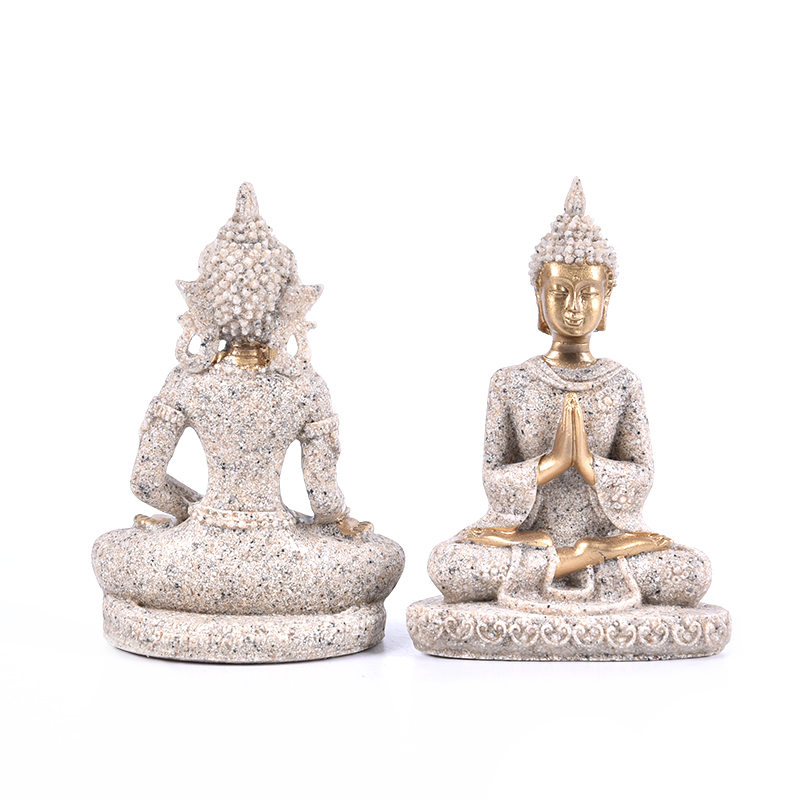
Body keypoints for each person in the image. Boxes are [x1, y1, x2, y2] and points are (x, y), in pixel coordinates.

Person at [92, 184, 403, 628]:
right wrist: (338, 523)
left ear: (207, 302)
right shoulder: (305, 388)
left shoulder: (185, 383)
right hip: (285, 556)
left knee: (111, 551)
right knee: (382, 558)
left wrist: (191, 513)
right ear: (286, 302)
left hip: (194, 556)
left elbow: (145, 482)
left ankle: (186, 612)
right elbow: (323, 499)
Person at [427, 178, 711, 612]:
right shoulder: (509, 381)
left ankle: (573, 561)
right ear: (539, 298)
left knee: (692, 571)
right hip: (526, 537)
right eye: (560, 293)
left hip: (609, 536)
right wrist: (551, 465)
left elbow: (642, 473)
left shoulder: (623, 382)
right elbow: (492, 475)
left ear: (607, 299)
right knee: (448, 563)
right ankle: (574, 563)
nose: (574, 307)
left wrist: (589, 465)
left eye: (588, 293)